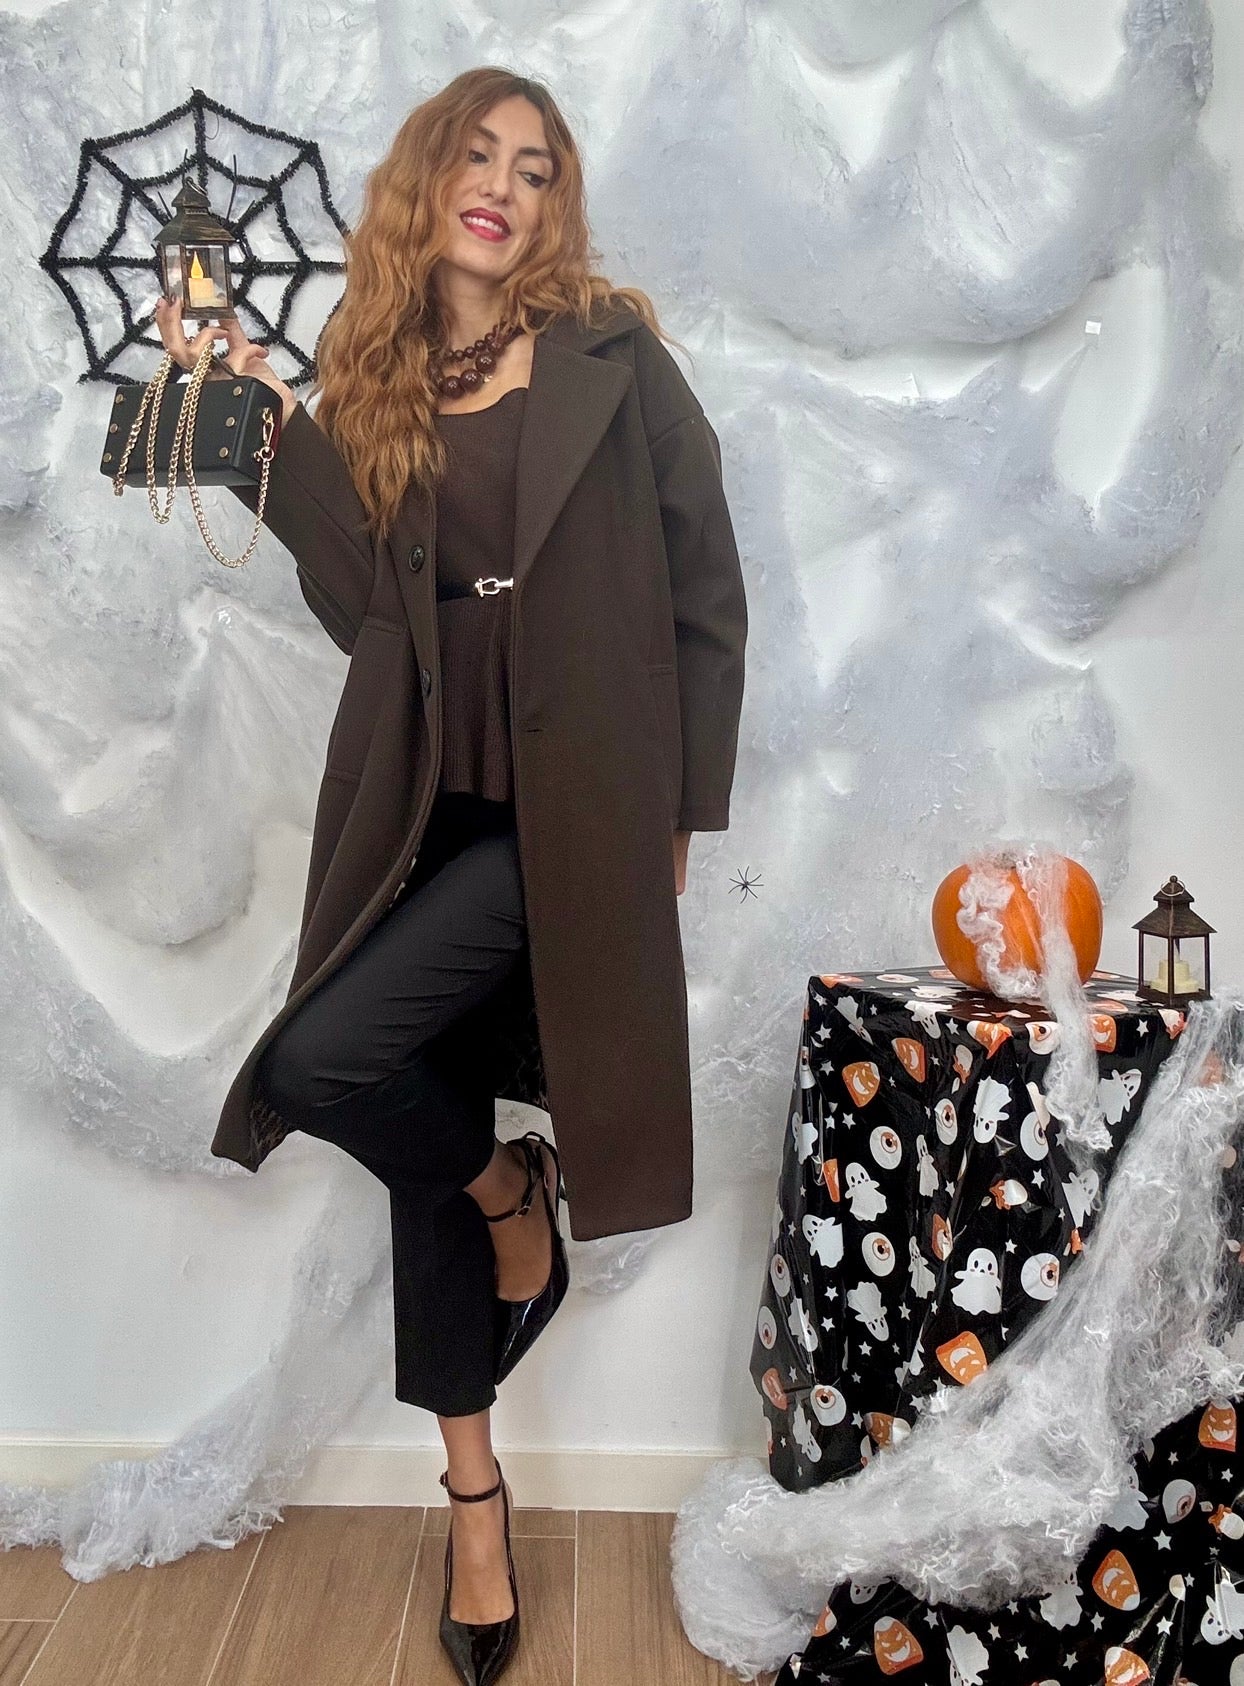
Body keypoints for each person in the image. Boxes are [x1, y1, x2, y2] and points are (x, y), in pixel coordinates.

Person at [156, 66, 746, 1686]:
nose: (503, 183)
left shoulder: (616, 356)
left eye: (534, 167)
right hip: (432, 812)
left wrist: (681, 806)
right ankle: (477, 1476)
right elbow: (368, 612)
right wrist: (267, 434)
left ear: (555, 204)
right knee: (386, 1093)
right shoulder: (384, 376)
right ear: (430, 179)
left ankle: (506, 1205)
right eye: (478, 154)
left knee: (321, 1058)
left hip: (578, 819)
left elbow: (707, 585)